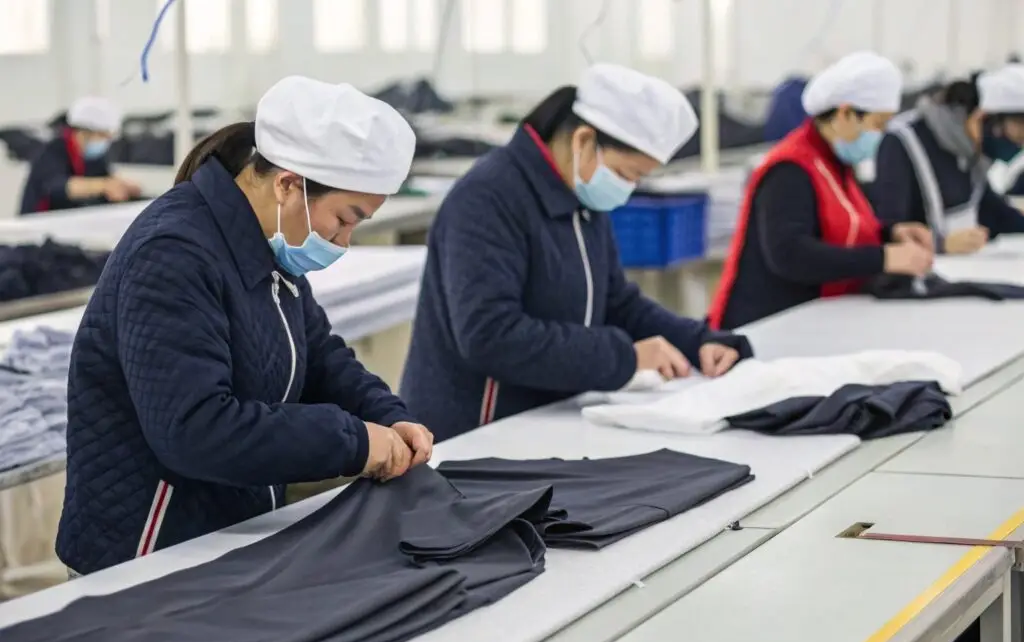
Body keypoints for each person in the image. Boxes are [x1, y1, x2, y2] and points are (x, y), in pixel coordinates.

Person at [57, 76, 434, 576]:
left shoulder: (270, 244)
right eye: (345, 218)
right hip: (146, 555)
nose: (344, 241)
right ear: (287, 185)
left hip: (224, 536)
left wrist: (387, 415)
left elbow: (318, 354)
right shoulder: (172, 254)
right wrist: (354, 441)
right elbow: (195, 429)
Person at [400, 63, 753, 443]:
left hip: (545, 421)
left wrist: (699, 341)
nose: (628, 189)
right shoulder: (487, 199)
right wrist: (626, 357)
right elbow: (490, 335)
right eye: (627, 173)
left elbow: (616, 303)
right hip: (474, 434)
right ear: (584, 140)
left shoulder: (581, 200)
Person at [707, 51, 935, 330]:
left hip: (812, 317)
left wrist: (892, 233)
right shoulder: (790, 169)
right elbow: (791, 255)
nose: (881, 135)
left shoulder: (835, 164)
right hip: (766, 326)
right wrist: (884, 258)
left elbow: (840, 230)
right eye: (878, 124)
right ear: (846, 114)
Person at [873, 65, 1024, 254]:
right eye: (1019, 131)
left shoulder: (970, 153)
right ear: (982, 118)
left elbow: (993, 211)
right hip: (918, 276)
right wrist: (940, 244)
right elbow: (886, 231)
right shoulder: (903, 141)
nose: (1020, 144)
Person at [18, 96, 141, 215]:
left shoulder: (92, 155)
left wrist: (122, 185)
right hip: (37, 225)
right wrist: (104, 185)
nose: (106, 142)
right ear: (84, 132)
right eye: (103, 136)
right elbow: (58, 187)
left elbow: (104, 176)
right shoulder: (52, 150)